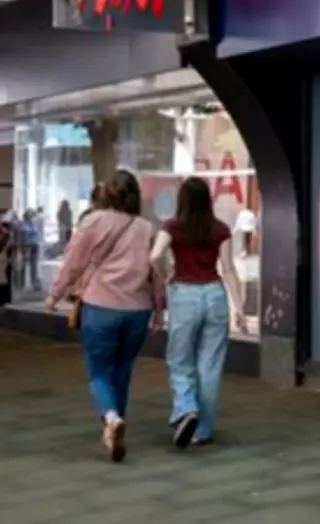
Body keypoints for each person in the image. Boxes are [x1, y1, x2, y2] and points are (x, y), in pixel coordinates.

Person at [45, 169, 165, 463]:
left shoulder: (94, 221)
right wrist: (160, 308)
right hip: (138, 310)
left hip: (101, 306)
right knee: (122, 369)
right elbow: (157, 271)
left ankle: (111, 418)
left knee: (99, 371)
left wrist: (55, 294)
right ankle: (113, 432)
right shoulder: (147, 228)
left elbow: (73, 262)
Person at [150, 176, 247, 449]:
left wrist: (167, 275)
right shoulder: (220, 229)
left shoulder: (172, 226)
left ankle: (186, 408)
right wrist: (239, 308)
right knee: (210, 365)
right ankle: (202, 431)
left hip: (185, 296)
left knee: (180, 359)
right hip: (215, 296)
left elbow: (154, 256)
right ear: (208, 200)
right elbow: (228, 269)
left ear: (182, 200)